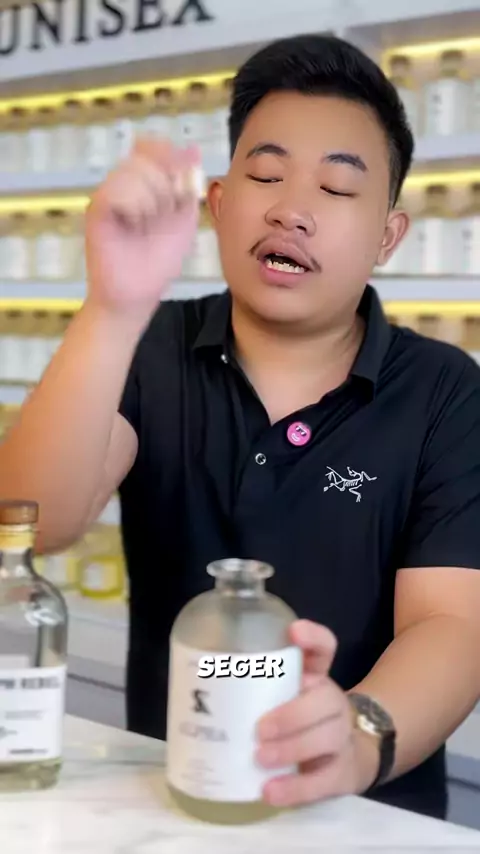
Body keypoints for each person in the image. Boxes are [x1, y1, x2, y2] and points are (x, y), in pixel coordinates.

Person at [1, 33, 480, 822]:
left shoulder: (444, 391)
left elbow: (451, 623)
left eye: (336, 187)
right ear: (220, 204)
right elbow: (34, 522)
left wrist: (359, 732)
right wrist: (112, 307)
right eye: (265, 175)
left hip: (368, 815)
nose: (291, 209)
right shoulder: (150, 345)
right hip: (170, 802)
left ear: (387, 237)